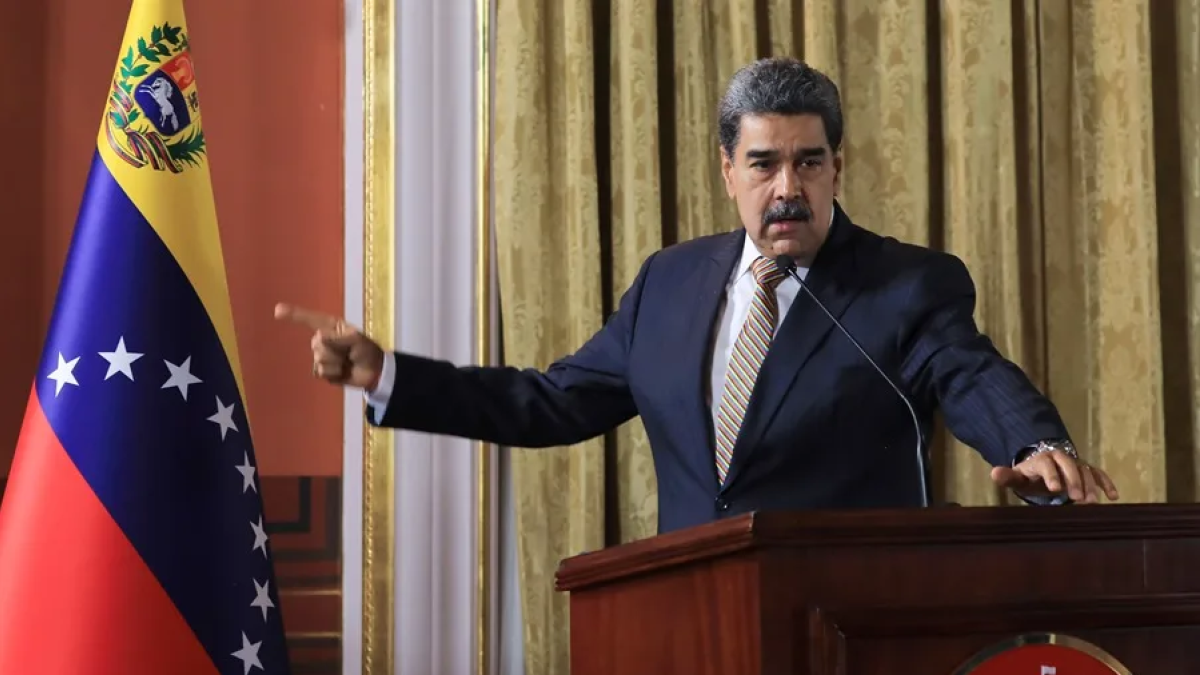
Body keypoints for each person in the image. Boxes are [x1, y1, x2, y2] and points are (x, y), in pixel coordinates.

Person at [276, 57, 1119, 534]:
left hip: (850, 625)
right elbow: (553, 401)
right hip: (691, 622)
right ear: (728, 170)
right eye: (763, 163)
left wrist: (1037, 443)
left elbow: (968, 372)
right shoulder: (668, 284)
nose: (787, 186)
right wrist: (390, 374)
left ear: (837, 167)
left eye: (808, 162)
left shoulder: (905, 284)